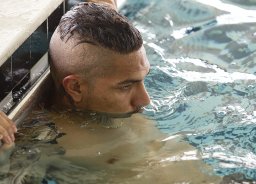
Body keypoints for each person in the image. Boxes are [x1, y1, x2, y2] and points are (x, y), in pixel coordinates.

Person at [0, 1, 223, 183]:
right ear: (75, 87)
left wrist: (103, 11)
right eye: (126, 86)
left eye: (142, 79)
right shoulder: (47, 140)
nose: (145, 100)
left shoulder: (112, 80)